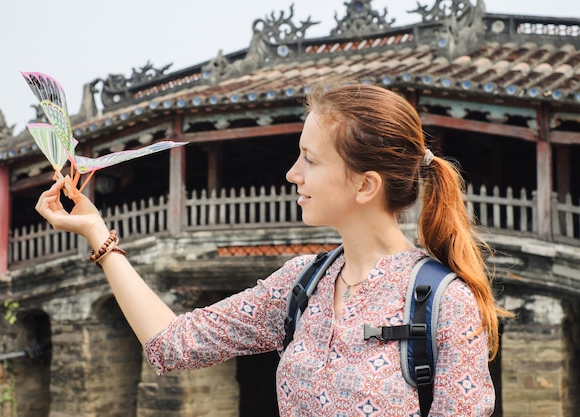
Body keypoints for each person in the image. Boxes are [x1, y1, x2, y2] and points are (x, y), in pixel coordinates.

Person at [35, 80, 510, 416]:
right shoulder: (302, 284)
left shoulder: (445, 305)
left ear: (366, 185)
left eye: (309, 158)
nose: (291, 174)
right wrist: (98, 233)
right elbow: (172, 344)